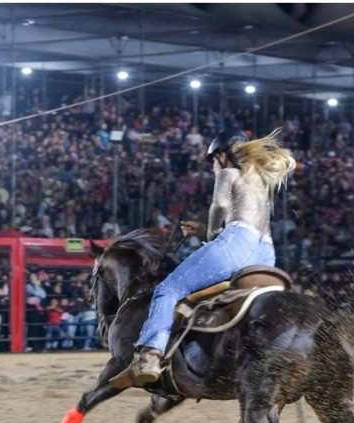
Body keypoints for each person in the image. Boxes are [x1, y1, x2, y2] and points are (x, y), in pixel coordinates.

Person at [116, 129, 296, 387]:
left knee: (167, 290)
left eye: (213, 158)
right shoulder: (261, 181)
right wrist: (200, 229)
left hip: (236, 244)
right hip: (266, 253)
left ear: (224, 156)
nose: (213, 164)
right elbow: (242, 217)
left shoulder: (228, 172)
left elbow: (220, 206)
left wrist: (210, 235)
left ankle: (150, 355)